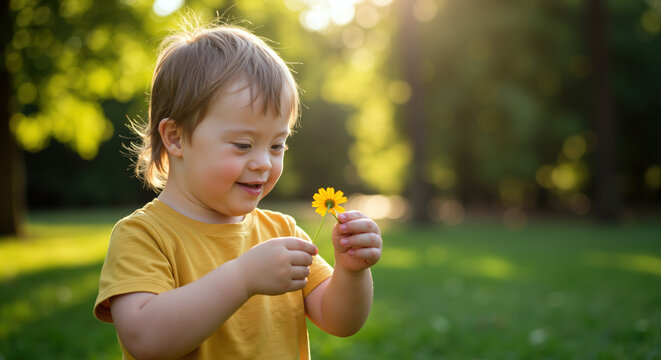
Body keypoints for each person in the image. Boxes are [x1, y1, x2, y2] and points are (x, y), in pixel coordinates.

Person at [93, 20, 383, 360]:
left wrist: (351, 272)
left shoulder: (281, 232)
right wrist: (242, 278)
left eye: (277, 146)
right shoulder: (144, 236)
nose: (263, 162)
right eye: (243, 145)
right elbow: (145, 339)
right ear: (176, 137)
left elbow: (341, 321)